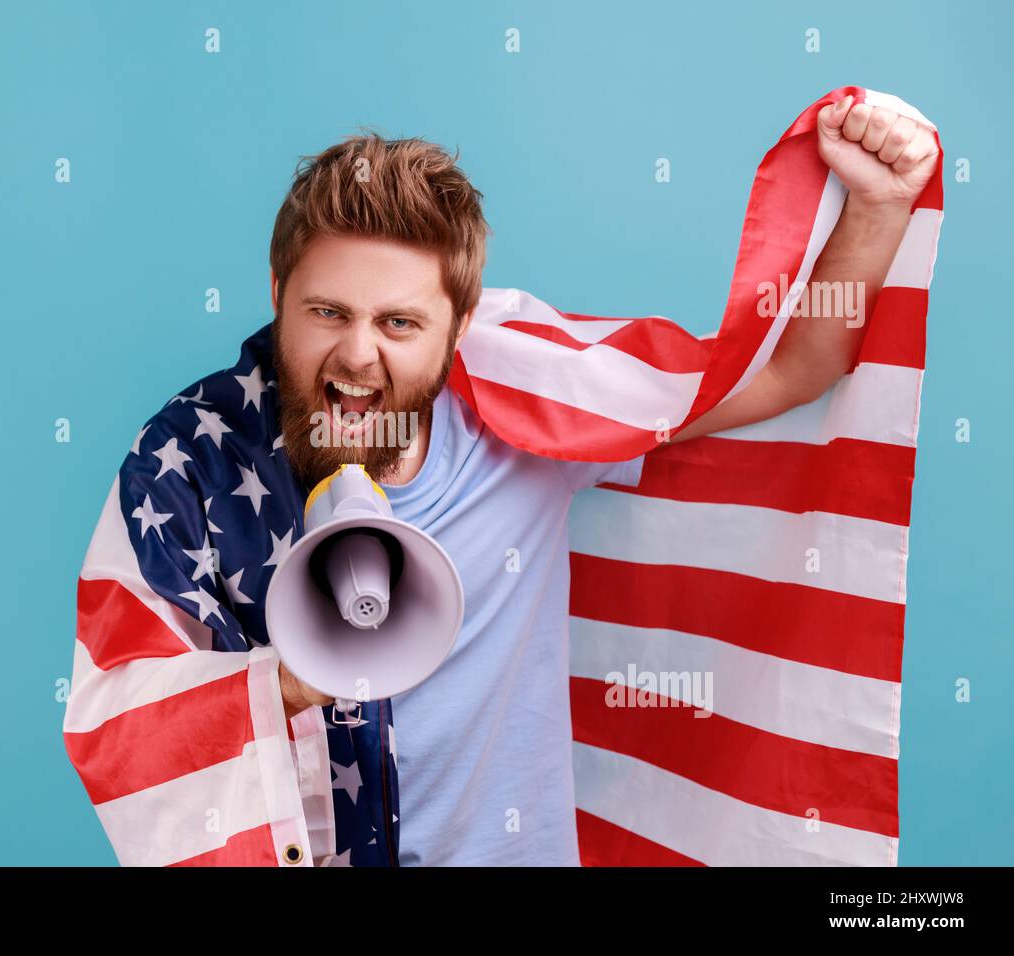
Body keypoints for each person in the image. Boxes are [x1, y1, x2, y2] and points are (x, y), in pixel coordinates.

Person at [63, 94, 939, 866]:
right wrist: (291, 678)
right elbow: (116, 722)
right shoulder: (189, 465)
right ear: (277, 289)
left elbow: (794, 366)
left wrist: (879, 203)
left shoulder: (531, 407)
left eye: (399, 321)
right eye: (326, 311)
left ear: (460, 326)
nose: (357, 355)